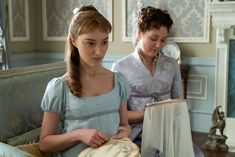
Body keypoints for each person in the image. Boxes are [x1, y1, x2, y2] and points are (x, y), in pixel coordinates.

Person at [39, 5, 132, 157]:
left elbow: (124, 125)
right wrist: (79, 134)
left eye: (104, 42)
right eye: (90, 43)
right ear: (74, 41)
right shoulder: (59, 87)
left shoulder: (118, 81)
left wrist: (122, 133)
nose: (99, 51)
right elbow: (44, 143)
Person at [112, 6, 183, 149]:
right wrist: (149, 115)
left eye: (163, 40)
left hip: (167, 134)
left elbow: (178, 105)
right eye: (153, 38)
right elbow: (117, 115)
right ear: (139, 33)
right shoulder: (120, 68)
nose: (158, 45)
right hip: (134, 136)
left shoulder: (172, 66)